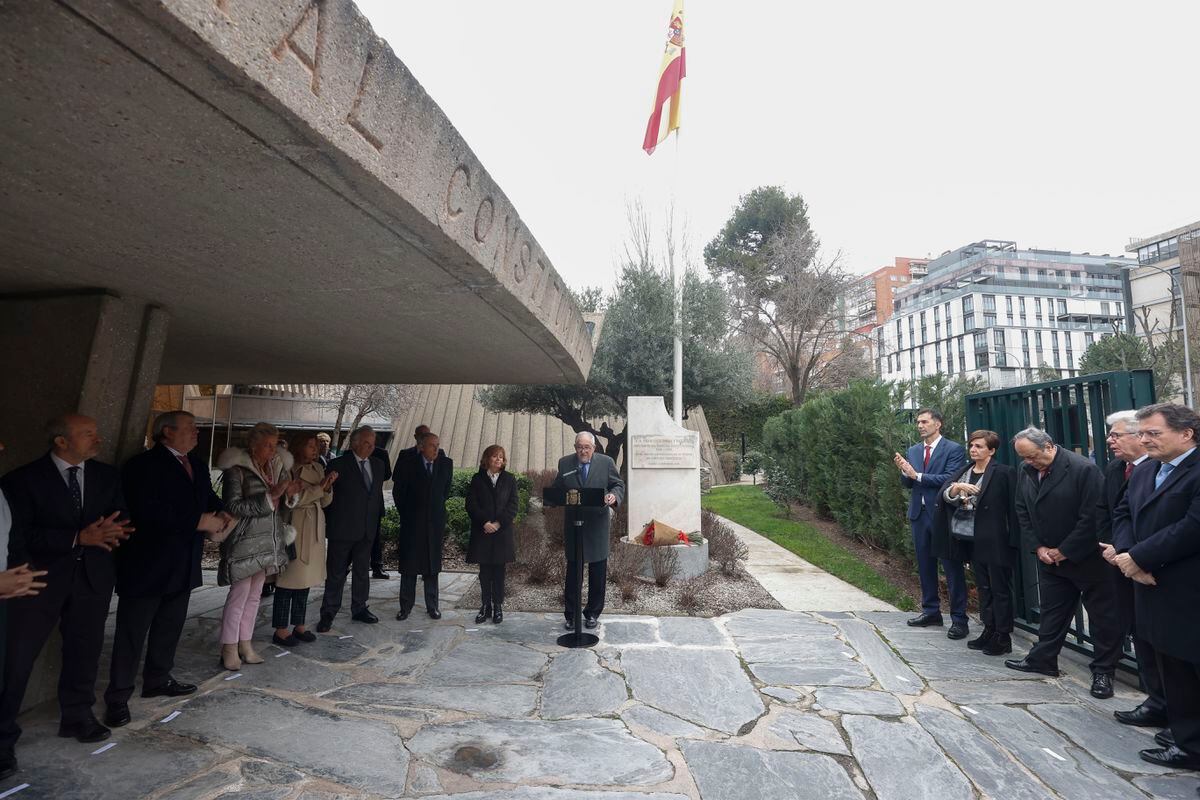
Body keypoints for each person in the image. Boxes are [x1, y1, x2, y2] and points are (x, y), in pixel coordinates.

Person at [0, 415, 133, 778]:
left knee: (86, 649)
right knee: (16, 659)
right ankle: (2, 739)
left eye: (96, 431)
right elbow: (21, 536)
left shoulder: (107, 475)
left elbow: (122, 517)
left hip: (92, 578)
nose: (97, 439)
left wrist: (114, 531)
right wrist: (77, 538)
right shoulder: (21, 480)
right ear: (61, 441)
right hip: (38, 581)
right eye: (88, 433)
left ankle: (78, 716)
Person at [103, 411, 230, 728]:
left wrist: (222, 513)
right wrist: (198, 521)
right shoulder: (141, 466)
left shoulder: (197, 465)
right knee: (132, 633)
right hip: (147, 563)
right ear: (166, 432)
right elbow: (146, 512)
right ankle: (118, 696)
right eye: (189, 427)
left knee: (169, 626)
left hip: (183, 561)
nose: (196, 432)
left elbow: (207, 498)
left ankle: (158, 678)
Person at [1112, 403, 1200, 770]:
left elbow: (1192, 527)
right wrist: (1129, 556)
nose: (1144, 439)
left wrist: (1140, 558)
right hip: (1148, 582)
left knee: (1189, 665)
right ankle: (1185, 739)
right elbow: (1122, 512)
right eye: (1142, 433)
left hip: (1186, 586)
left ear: (1186, 434)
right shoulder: (1147, 469)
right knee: (1169, 666)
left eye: (1153, 433)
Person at [1008, 426, 1121, 699]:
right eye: (1024, 458)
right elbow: (1022, 510)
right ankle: (1043, 659)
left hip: (1087, 558)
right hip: (1049, 558)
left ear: (1048, 446)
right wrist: (1039, 546)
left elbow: (1092, 516)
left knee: (1102, 619)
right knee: (1052, 612)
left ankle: (1104, 672)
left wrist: (1066, 550)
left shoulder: (1082, 469)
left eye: (1033, 456)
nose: (1029, 462)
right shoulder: (1027, 471)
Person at [1098, 410, 1166, 729]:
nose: (1110, 440)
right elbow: (1114, 513)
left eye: (1116, 435)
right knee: (1137, 631)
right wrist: (1118, 550)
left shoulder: (1170, 470)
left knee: (1164, 640)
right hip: (1121, 562)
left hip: (1158, 568)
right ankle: (1157, 700)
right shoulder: (1119, 470)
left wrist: (1135, 555)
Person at [215, 422, 297, 670]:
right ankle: (229, 647)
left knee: (254, 597)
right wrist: (270, 496)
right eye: (268, 445)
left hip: (266, 542)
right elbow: (234, 506)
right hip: (243, 542)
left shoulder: (274, 468)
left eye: (275, 445)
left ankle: (245, 643)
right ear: (253, 444)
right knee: (238, 596)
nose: (273, 451)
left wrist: (289, 493)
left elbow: (280, 503)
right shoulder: (236, 470)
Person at [933, 429, 1019, 656]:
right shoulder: (965, 471)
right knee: (984, 587)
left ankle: (1003, 635)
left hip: (996, 539)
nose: (973, 449)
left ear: (991, 450)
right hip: (972, 538)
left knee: (1000, 588)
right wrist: (957, 488)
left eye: (979, 446)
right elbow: (945, 495)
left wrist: (1013, 539)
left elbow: (1013, 508)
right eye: (971, 445)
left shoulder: (1004, 473)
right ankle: (989, 630)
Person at [893, 408, 969, 637]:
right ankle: (931, 611)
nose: (919, 426)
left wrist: (917, 476)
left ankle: (959, 619)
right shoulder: (914, 450)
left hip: (942, 515)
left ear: (938, 424)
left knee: (951, 567)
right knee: (925, 565)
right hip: (919, 515)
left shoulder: (953, 449)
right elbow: (909, 484)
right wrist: (905, 472)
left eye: (924, 422)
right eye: (918, 422)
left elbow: (950, 479)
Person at [553, 432, 624, 630]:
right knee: (573, 572)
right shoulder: (565, 463)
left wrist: (613, 495)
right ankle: (571, 615)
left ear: (594, 448)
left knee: (597, 572)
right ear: (575, 447)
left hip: (597, 524)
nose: (583, 451)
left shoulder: (607, 462)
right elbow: (558, 487)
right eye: (579, 447)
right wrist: (553, 497)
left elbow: (617, 484)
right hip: (574, 524)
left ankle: (592, 613)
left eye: (587, 447)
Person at [317, 426, 385, 631]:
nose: (371, 446)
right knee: (336, 572)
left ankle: (360, 608)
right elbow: (326, 496)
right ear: (355, 443)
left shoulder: (379, 465)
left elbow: (375, 495)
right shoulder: (338, 464)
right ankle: (328, 612)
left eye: (373, 443)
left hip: (367, 528)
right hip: (343, 529)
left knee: (362, 571)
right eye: (366, 442)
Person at [273, 432, 336, 646]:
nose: (315, 449)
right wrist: (319, 489)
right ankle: (281, 629)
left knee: (306, 580)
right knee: (289, 580)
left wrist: (327, 487)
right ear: (299, 447)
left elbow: (326, 501)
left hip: (314, 526)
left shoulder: (318, 468)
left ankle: (299, 625)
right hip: (295, 527)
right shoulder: (287, 469)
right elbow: (293, 500)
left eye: (316, 446)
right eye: (310, 445)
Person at [392, 431, 452, 620]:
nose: (436, 449)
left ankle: (432, 606)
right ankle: (405, 606)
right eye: (432, 445)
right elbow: (398, 492)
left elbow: (445, 492)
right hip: (412, 523)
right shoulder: (409, 464)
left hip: (434, 523)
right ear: (421, 447)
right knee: (409, 566)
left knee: (432, 566)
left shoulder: (445, 464)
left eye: (438, 445)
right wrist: (408, 515)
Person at [465, 445, 518, 624]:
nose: (498, 460)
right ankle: (485, 606)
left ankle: (497, 606)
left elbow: (513, 505)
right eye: (495, 456)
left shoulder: (509, 479)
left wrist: (498, 523)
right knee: (485, 572)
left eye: (501, 457)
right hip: (483, 532)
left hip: (502, 533)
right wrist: (485, 523)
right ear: (487, 458)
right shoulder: (477, 479)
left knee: (499, 572)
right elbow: (471, 504)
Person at [370, 443, 393, 580]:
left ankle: (377, 566)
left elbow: (387, 474)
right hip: (355, 505)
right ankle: (345, 566)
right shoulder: (350, 454)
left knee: (375, 537)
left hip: (375, 500)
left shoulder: (381, 453)